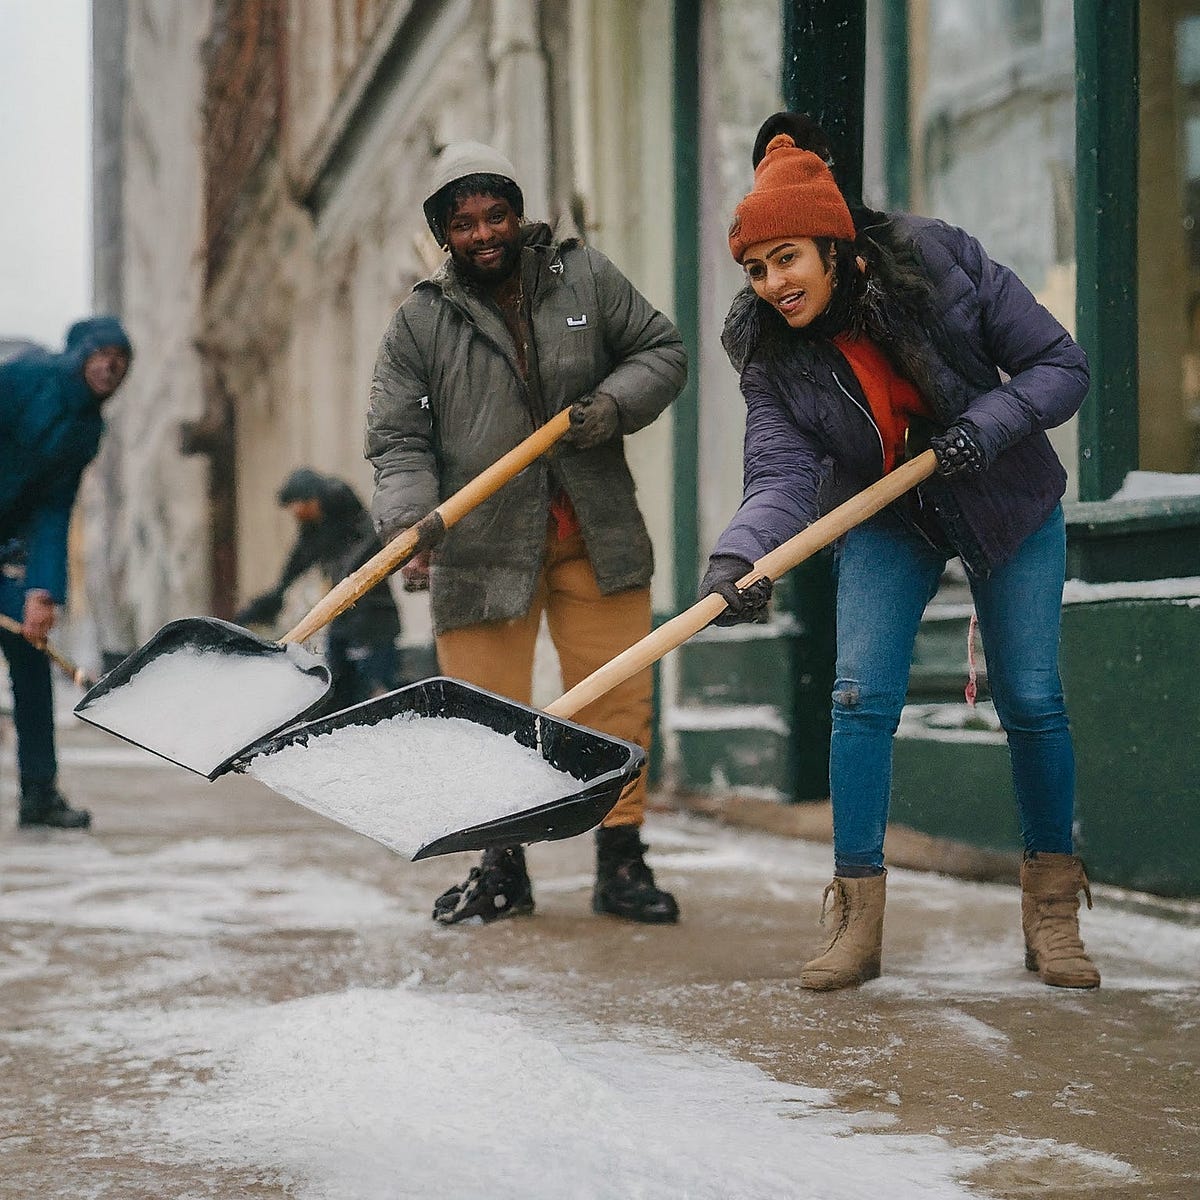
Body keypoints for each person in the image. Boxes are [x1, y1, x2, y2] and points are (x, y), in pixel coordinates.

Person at [700, 120, 1097, 990]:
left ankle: (1054, 914)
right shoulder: (773, 352)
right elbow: (780, 473)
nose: (772, 285)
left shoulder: (933, 261)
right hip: (889, 516)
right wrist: (741, 559)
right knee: (858, 697)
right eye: (756, 269)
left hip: (1005, 495)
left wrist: (979, 432)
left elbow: (1060, 366)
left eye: (788, 259)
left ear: (834, 245)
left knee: (1031, 698)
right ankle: (856, 920)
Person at [366, 141, 686, 925]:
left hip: (596, 532)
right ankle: (501, 866)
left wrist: (610, 406)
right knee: (485, 718)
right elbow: (398, 437)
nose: (483, 234)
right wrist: (411, 522)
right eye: (464, 223)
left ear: (518, 212)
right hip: (481, 547)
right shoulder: (420, 322)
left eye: (495, 215)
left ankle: (621, 861)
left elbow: (661, 350)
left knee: (616, 704)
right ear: (444, 233)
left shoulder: (585, 277)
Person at [0, 317, 133, 828]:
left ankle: (39, 795)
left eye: (122, 359)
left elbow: (56, 509)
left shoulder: (86, 431)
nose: (111, 365)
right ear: (79, 353)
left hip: (11, 547)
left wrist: (42, 588)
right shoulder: (23, 377)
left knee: (31, 659)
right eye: (102, 352)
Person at [235, 468, 403, 711]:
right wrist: (269, 601)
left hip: (373, 618)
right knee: (335, 691)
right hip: (342, 617)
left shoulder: (344, 507)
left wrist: (347, 576)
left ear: (312, 497)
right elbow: (298, 562)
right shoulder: (315, 527)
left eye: (299, 505)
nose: (296, 513)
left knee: (374, 696)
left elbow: (371, 542)